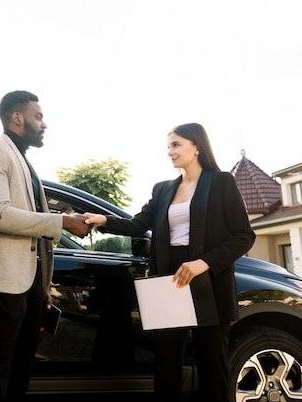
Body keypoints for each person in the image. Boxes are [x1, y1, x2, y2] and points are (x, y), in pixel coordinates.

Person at [84, 123, 255, 402]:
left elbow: (243, 236)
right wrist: (103, 221)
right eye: (168, 146)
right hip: (168, 280)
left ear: (197, 146)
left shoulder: (222, 182)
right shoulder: (163, 189)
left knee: (212, 368)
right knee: (166, 368)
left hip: (209, 280)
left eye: (176, 145)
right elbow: (138, 224)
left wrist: (203, 263)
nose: (170, 152)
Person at [0, 90, 91, 402]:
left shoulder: (25, 162)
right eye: (38, 116)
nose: (43, 124)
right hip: (0, 288)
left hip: (29, 289)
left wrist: (42, 285)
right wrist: (63, 222)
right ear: (17, 117)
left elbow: (33, 228)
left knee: (18, 379)